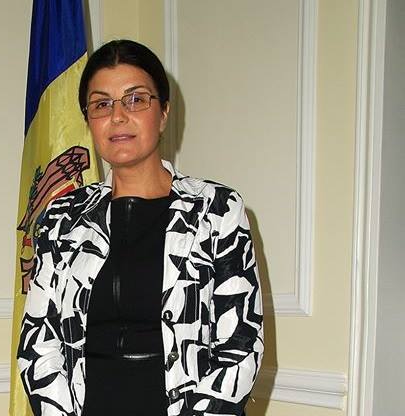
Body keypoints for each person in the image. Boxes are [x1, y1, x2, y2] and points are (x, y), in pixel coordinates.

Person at [17, 39, 264, 416]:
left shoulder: (216, 210)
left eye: (135, 100)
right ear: (88, 120)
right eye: (101, 104)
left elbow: (241, 347)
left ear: (163, 113)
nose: (117, 116)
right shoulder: (60, 220)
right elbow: (38, 345)